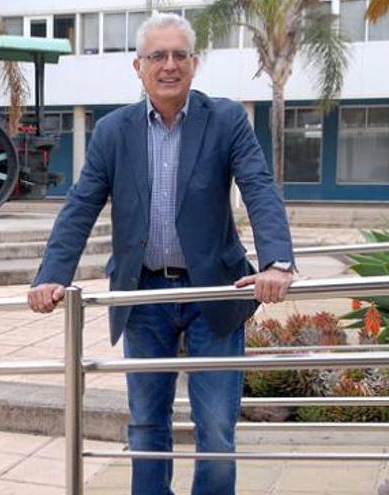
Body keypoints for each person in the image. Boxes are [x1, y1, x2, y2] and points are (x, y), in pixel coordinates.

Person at [27, 13, 295, 495]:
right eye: (158, 56)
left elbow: (258, 187)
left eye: (178, 55)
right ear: (138, 66)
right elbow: (81, 206)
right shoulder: (113, 131)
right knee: (147, 425)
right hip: (143, 296)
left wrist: (276, 261)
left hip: (214, 292)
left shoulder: (227, 119)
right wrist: (51, 275)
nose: (168, 65)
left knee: (215, 428)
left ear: (193, 63)